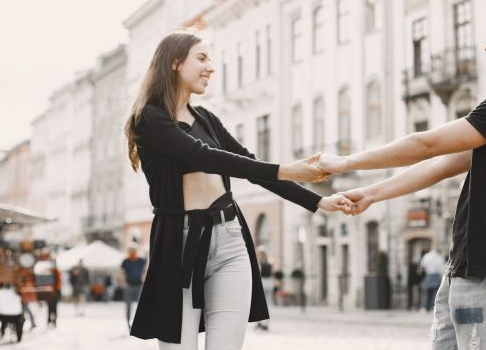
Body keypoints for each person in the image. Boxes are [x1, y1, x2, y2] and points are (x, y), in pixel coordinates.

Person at [317, 2, 486, 350]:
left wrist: (345, 162)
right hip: (467, 268)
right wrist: (373, 193)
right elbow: (441, 164)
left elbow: (426, 143)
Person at [124, 29, 350, 348]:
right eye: (201, 58)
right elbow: (201, 156)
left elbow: (248, 165)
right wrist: (288, 169)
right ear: (174, 62)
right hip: (180, 243)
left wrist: (318, 202)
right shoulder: (148, 118)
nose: (210, 67)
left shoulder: (206, 118)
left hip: (229, 240)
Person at [121, 244, 146, 331]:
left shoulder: (141, 261)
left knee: (141, 306)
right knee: (128, 306)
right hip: (129, 286)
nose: (131, 253)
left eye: (133, 251)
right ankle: (128, 324)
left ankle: (140, 324)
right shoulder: (125, 262)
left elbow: (145, 270)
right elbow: (121, 273)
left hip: (139, 285)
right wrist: (123, 282)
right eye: (130, 251)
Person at [255, 247, 273, 331]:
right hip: (269, 283)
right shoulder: (270, 262)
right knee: (268, 303)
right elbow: (272, 274)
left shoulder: (259, 263)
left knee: (259, 303)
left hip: (262, 282)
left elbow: (257, 274)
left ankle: (259, 322)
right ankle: (266, 323)